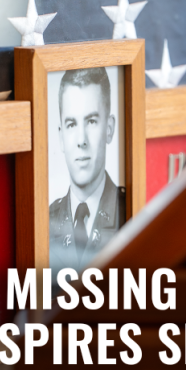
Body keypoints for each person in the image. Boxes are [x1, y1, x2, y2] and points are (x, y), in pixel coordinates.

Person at [49, 67, 126, 274]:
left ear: (109, 129)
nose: (81, 140)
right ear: (61, 136)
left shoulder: (130, 212)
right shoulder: (44, 222)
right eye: (72, 124)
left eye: (91, 121)